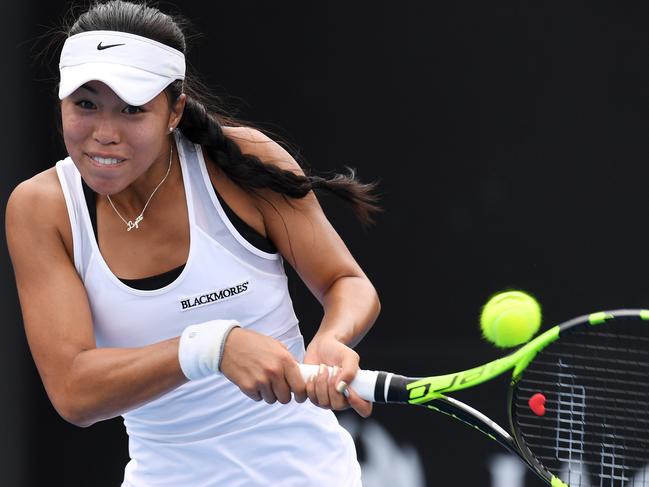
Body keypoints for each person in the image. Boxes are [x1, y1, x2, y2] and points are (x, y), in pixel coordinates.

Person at [6, 1, 381, 486]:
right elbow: (75, 391)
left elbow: (345, 281)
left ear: (174, 110)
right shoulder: (41, 208)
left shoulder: (240, 161)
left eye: (132, 108)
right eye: (85, 103)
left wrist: (332, 338)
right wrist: (211, 346)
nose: (103, 134)